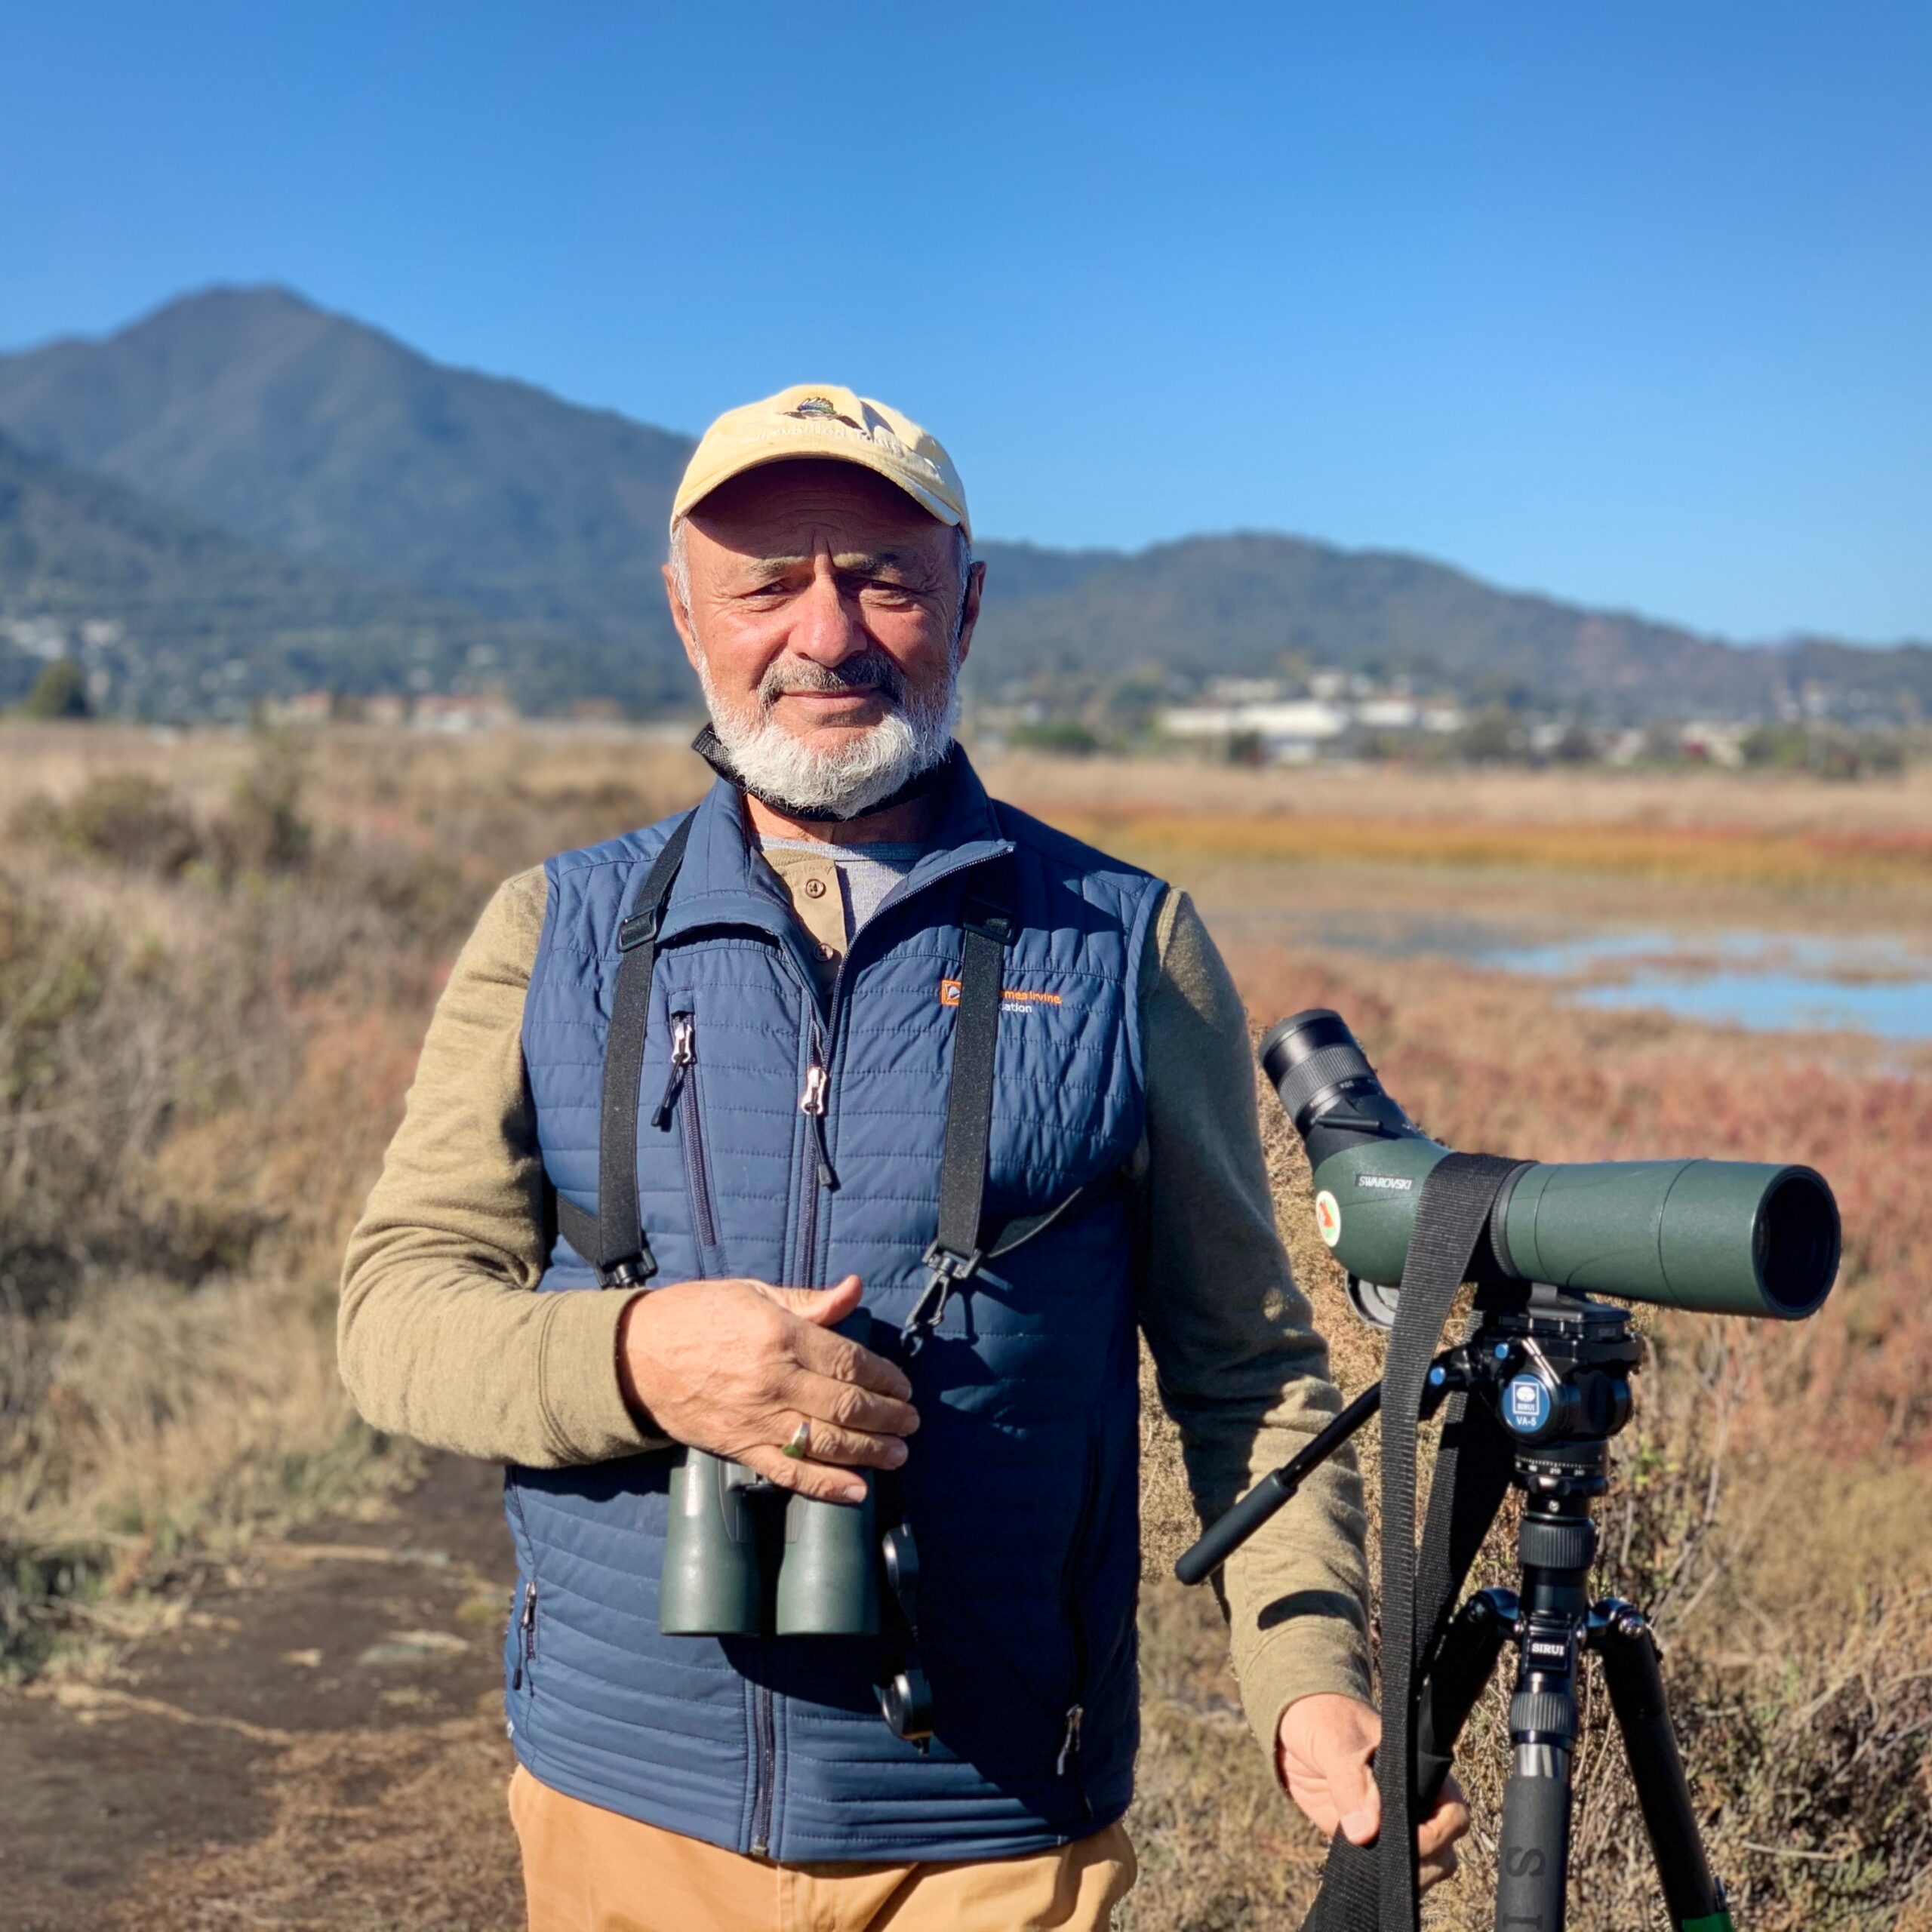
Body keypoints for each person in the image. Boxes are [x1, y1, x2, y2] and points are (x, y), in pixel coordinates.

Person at [339, 385, 1468, 1931]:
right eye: (763, 583)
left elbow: (1248, 1367)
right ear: (684, 611)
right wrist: (633, 1354)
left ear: (968, 603)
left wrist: (1305, 1679)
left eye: (881, 577)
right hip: (621, 1809)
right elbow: (392, 1317)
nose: (824, 634)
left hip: (997, 1831)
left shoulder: (1126, 940)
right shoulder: (559, 932)